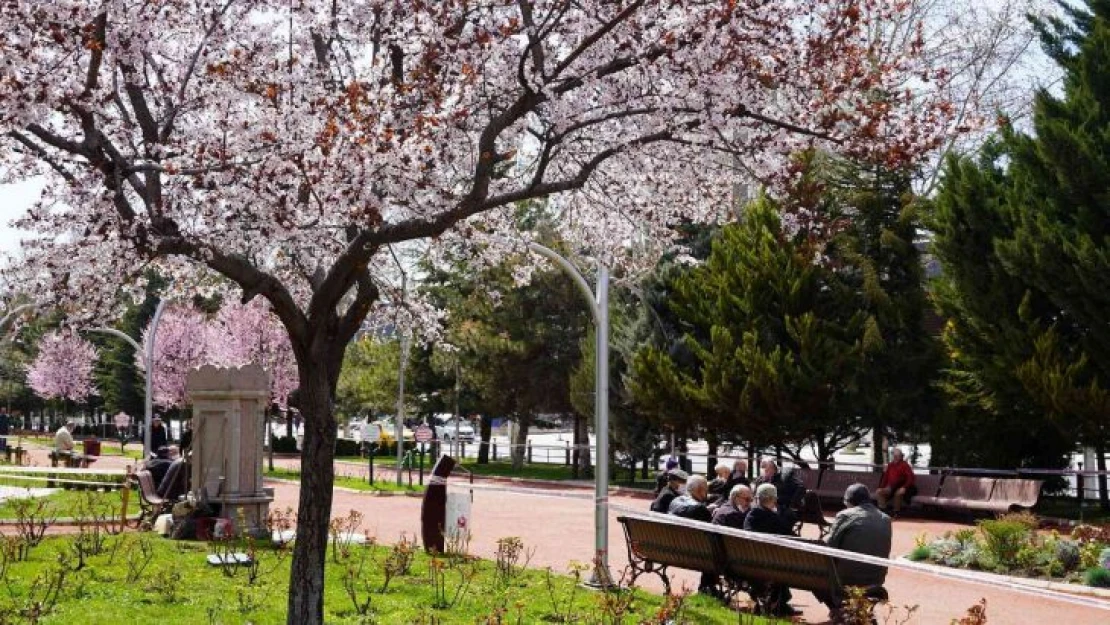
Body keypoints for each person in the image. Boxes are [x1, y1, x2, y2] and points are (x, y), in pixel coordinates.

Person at [817, 483, 892, 618]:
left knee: (814, 571)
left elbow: (830, 547)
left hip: (847, 580)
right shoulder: (886, 519)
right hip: (876, 579)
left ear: (850, 501)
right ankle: (851, 610)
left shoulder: (845, 515)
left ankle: (838, 608)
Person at [743, 483, 799, 617]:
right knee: (783, 566)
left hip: (749, 563)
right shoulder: (776, 519)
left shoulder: (750, 516)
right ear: (774, 499)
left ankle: (778, 603)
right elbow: (793, 537)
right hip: (772, 565)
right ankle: (779, 604)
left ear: (758, 498)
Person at [668, 475, 718, 597]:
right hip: (696, 554)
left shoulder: (674, 501)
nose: (707, 493)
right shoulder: (700, 509)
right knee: (715, 549)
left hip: (671, 549)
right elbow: (711, 534)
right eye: (706, 490)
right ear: (700, 490)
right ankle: (707, 586)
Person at [875, 448, 916, 516]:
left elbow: (911, 478)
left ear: (900, 456)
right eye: (894, 456)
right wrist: (881, 487)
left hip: (899, 487)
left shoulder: (904, 465)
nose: (896, 457)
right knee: (879, 492)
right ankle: (883, 512)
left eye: (898, 456)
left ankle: (896, 512)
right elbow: (885, 478)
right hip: (890, 487)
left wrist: (904, 487)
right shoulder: (890, 465)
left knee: (898, 493)